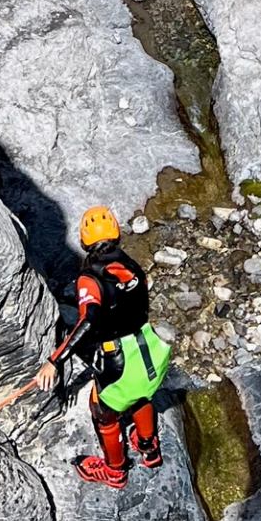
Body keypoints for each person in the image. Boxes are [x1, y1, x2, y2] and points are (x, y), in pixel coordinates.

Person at [33, 205, 173, 489]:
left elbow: (89, 320)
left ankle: (115, 470)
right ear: (117, 235)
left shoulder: (89, 277)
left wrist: (55, 360)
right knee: (142, 395)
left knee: (102, 412)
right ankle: (149, 448)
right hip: (148, 347)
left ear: (85, 241)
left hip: (119, 357)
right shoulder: (131, 265)